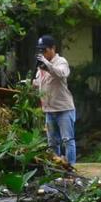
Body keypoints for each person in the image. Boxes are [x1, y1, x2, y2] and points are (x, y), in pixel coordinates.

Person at [33, 34, 76, 165]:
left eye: (44, 50)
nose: (43, 53)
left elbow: (61, 73)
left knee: (67, 140)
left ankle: (71, 168)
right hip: (49, 110)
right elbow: (38, 82)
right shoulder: (41, 66)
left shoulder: (61, 61)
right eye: (40, 50)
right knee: (52, 143)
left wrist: (47, 64)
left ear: (53, 48)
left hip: (64, 109)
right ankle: (55, 168)